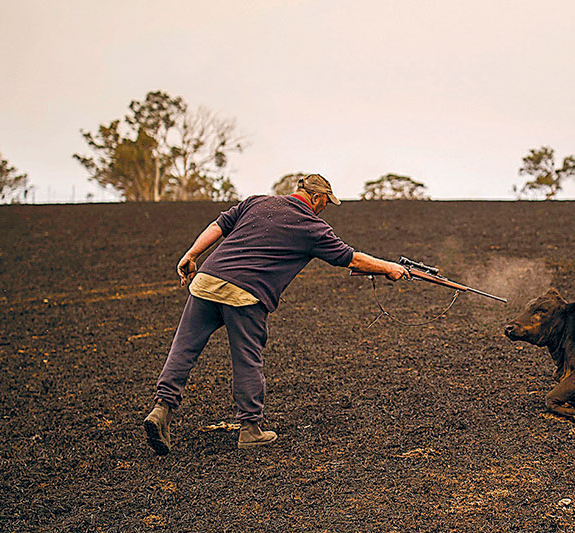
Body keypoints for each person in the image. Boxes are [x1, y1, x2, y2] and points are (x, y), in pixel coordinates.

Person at [143, 174, 407, 455]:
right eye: (326, 203)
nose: (324, 208)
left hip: (206, 281)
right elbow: (350, 258)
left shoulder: (256, 202)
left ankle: (161, 410)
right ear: (317, 198)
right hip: (245, 294)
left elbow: (217, 226)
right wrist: (389, 267)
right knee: (247, 359)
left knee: (183, 349)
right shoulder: (311, 226)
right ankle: (250, 429)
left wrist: (192, 254)